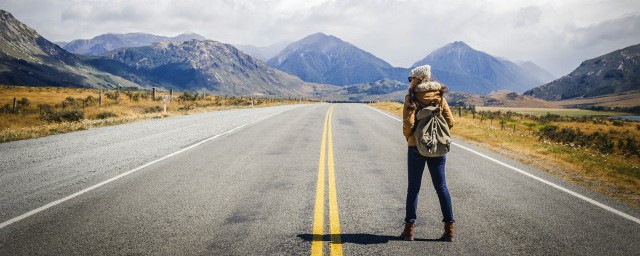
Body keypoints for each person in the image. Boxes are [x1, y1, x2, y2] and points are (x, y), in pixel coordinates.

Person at [400, 65, 456, 242]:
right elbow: (451, 122)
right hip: (437, 147)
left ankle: (409, 230)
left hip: (416, 147)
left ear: (417, 79)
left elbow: (408, 124)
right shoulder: (440, 96)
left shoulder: (412, 97)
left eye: (411, 79)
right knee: (441, 187)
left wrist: (411, 137)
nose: (410, 82)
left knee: (413, 188)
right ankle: (449, 230)